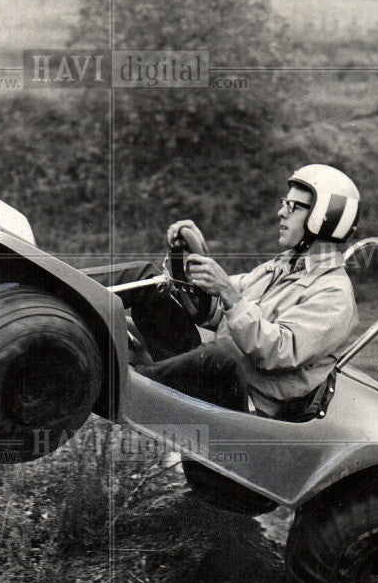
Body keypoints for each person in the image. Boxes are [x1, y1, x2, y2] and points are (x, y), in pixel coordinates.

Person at [133, 164, 361, 419]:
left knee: (226, 355)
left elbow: (277, 351)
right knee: (146, 281)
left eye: (293, 207)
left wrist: (228, 292)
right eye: (284, 203)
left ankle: (128, 384)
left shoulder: (334, 295)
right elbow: (215, 308)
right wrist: (189, 256)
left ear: (323, 219)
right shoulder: (281, 266)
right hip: (220, 373)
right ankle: (80, 305)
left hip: (251, 402)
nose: (280, 213)